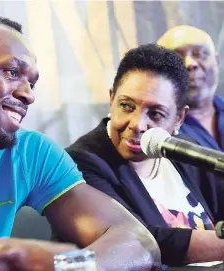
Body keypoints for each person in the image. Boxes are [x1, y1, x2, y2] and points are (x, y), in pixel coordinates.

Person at [0, 14, 161, 271]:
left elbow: (137, 242)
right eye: (11, 72)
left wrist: (67, 266)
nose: (28, 94)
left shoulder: (29, 151)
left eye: (32, 83)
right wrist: (4, 254)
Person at [66, 43, 224, 266]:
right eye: (127, 106)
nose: (138, 124)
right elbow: (140, 242)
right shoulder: (80, 163)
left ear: (179, 118)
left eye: (156, 114)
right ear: (111, 100)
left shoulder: (185, 150)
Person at [158, 25, 224, 151]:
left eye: (199, 54)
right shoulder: (157, 130)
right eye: (176, 58)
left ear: (216, 61)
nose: (190, 64)